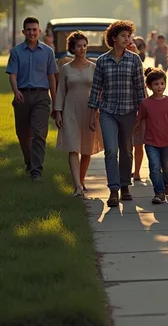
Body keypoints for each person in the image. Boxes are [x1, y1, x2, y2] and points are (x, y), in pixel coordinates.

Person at [88, 20, 146, 207]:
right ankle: (114, 190)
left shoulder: (134, 60)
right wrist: (92, 114)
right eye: (123, 36)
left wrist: (142, 114)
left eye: (128, 36)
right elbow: (96, 89)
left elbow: (139, 88)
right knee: (111, 150)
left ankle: (125, 186)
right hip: (108, 112)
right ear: (113, 38)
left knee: (127, 151)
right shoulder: (102, 61)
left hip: (129, 112)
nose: (127, 39)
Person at [6, 16, 58, 181]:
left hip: (41, 97)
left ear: (39, 31)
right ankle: (29, 162)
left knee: (39, 133)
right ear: (23, 32)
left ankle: (37, 171)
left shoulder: (48, 52)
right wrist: (15, 91)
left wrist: (56, 104)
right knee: (23, 134)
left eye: (34, 29)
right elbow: (12, 74)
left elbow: (52, 78)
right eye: (28, 29)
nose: (32, 32)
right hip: (22, 95)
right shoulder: (16, 52)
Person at [55, 31, 103, 196]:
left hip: (89, 110)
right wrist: (58, 112)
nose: (82, 49)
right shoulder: (66, 69)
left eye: (84, 45)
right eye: (78, 46)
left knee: (87, 149)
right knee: (73, 147)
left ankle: (81, 180)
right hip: (70, 110)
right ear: (72, 48)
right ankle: (77, 186)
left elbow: (99, 92)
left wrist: (97, 110)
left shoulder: (95, 68)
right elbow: (60, 91)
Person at [137, 68, 168, 204]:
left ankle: (167, 181)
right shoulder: (145, 103)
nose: (160, 87)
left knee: (166, 166)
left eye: (162, 83)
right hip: (151, 142)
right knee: (154, 167)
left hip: (167, 142)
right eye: (156, 84)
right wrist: (140, 133)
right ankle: (159, 192)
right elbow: (142, 119)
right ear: (149, 86)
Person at [127, 36, 147, 181]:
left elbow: (145, 86)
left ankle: (138, 171)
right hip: (124, 107)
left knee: (138, 143)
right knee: (126, 144)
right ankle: (127, 170)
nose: (130, 46)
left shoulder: (140, 65)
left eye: (132, 45)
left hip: (139, 107)